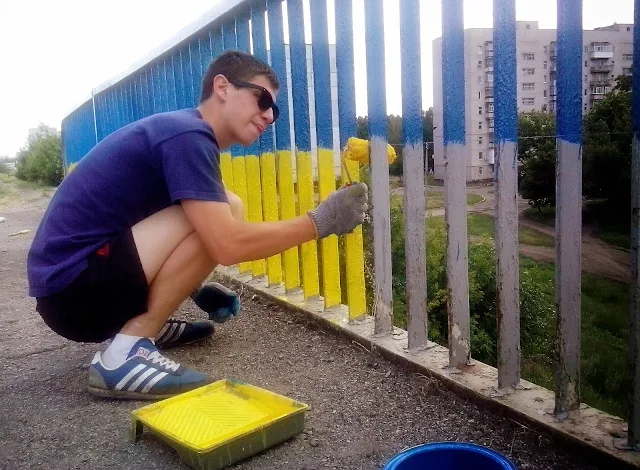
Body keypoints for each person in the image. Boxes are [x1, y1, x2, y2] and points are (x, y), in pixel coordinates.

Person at [27, 50, 368, 400]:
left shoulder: (181, 132)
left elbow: (143, 220)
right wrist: (322, 220)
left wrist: (192, 288)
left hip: (74, 288)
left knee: (221, 205)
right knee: (228, 208)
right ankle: (126, 351)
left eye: (274, 110)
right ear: (222, 87)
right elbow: (227, 245)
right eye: (263, 99)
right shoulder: (187, 135)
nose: (269, 115)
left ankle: (143, 326)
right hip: (75, 291)